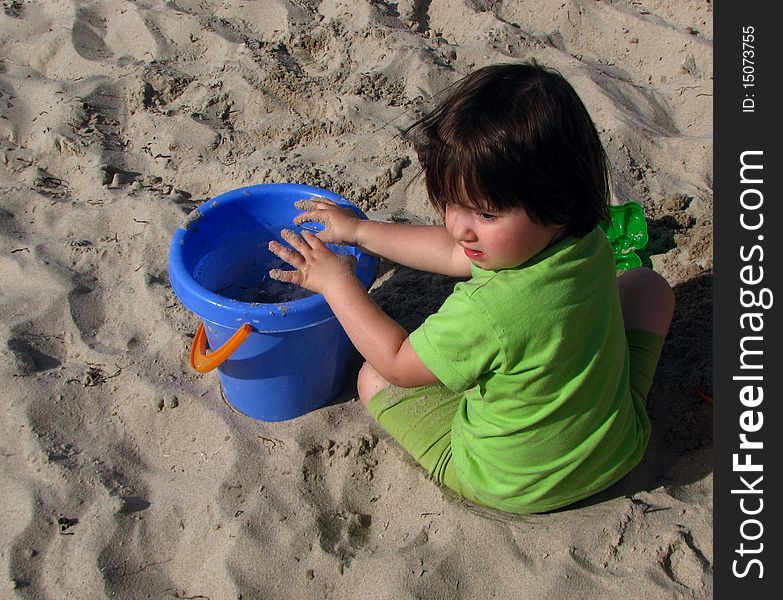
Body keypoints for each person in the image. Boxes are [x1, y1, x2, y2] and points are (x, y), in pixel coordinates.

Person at [268, 62, 675, 514]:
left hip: (511, 482)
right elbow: (452, 250)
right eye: (450, 204)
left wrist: (335, 280)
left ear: (556, 202)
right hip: (616, 447)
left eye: (484, 214)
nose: (459, 227)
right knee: (647, 286)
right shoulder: (585, 236)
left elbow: (399, 363)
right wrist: (361, 232)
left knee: (373, 378)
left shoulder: (490, 309)